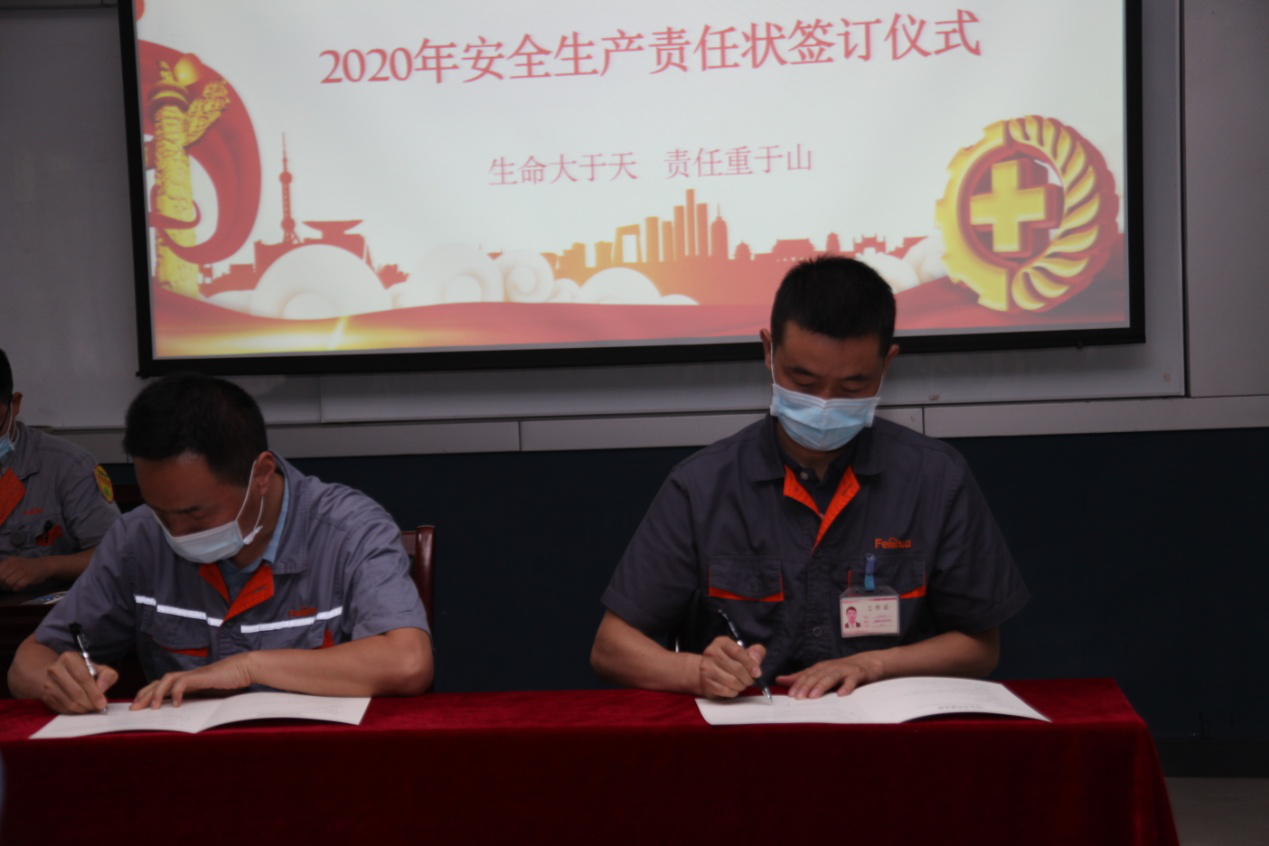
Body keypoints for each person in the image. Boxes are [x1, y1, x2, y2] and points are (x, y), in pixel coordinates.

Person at [591, 256, 1028, 700]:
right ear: (768, 351)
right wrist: (697, 672)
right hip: (749, 728)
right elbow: (611, 648)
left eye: (852, 387)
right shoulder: (702, 486)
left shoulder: (935, 479)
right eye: (803, 381)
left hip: (883, 729)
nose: (824, 404)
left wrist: (874, 664)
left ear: (887, 364)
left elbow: (980, 646)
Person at [8, 373, 432, 713]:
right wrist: (59, 683)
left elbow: (408, 662)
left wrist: (248, 668)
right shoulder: (138, 539)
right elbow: (29, 661)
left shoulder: (348, 531)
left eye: (195, 514)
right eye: (160, 512)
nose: (176, 532)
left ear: (260, 475)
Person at [0, 349, 121, 592]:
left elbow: (117, 554)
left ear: (15, 404)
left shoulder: (69, 466)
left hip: (46, 609)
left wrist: (47, 567)